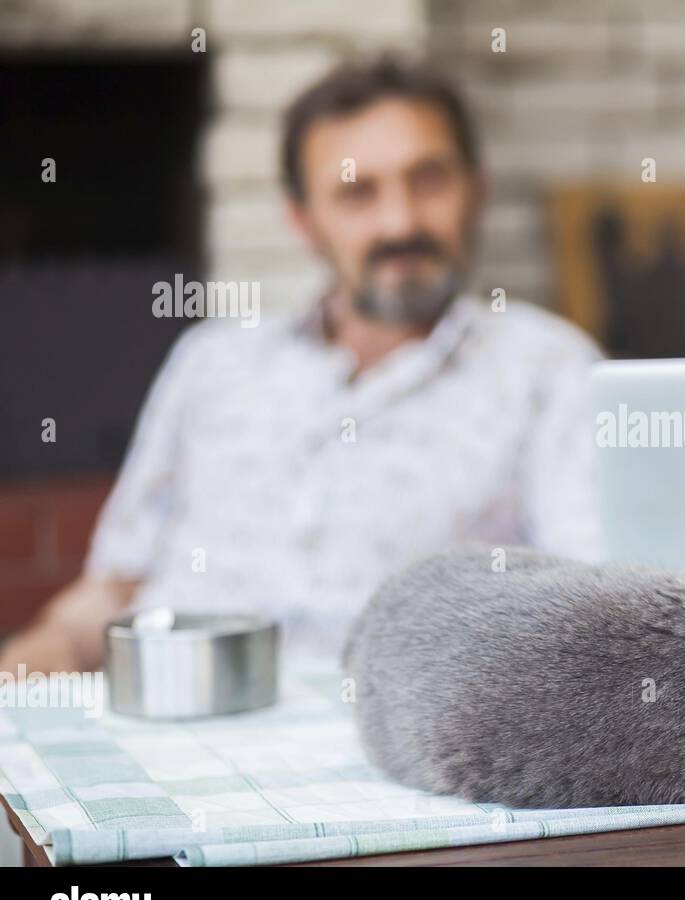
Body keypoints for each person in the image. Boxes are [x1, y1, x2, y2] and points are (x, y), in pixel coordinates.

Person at [1, 56, 602, 673]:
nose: (400, 222)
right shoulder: (212, 361)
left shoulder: (550, 371)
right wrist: (37, 656)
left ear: (477, 189)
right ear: (303, 221)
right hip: (163, 720)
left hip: (380, 748)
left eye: (428, 180)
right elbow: (115, 588)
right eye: (356, 192)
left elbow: (592, 607)